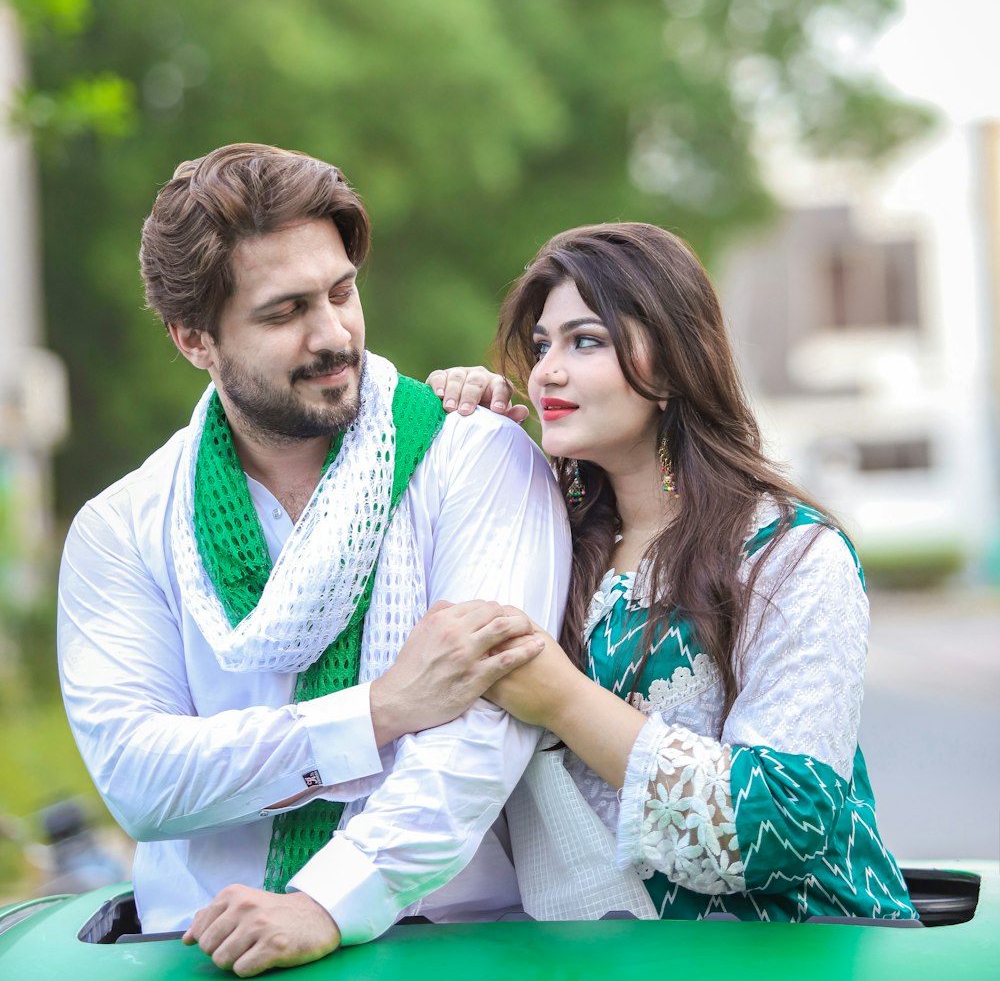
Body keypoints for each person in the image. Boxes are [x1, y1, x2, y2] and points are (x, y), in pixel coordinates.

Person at [57, 143, 571, 976]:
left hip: (446, 946)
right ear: (194, 339)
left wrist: (325, 903)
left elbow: (478, 743)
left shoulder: (473, 457)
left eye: (341, 291)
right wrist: (376, 713)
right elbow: (142, 779)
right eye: (284, 311)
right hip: (197, 955)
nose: (334, 335)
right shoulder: (122, 528)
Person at [428, 221, 917, 923]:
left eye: (584, 341)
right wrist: (463, 436)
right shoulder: (543, 534)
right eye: (541, 346)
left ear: (670, 361)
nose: (546, 372)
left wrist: (562, 698)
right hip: (580, 953)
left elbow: (780, 823)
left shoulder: (787, 555)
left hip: (790, 951)